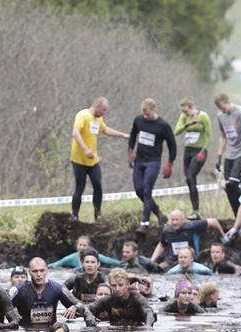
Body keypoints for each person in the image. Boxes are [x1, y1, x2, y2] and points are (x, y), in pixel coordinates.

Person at [70, 96, 130, 220]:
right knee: (79, 187)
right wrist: (85, 148)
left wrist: (122, 135)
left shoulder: (98, 119)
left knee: (97, 185)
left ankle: (98, 215)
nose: (104, 113)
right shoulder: (83, 115)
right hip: (79, 159)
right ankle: (75, 215)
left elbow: (105, 130)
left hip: (93, 159)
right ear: (96, 107)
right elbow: (75, 132)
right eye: (103, 110)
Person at [128, 98, 176, 234]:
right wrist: (130, 151)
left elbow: (172, 145)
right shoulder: (138, 120)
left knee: (147, 189)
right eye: (143, 113)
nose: (145, 116)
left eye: (147, 113)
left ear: (154, 110)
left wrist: (169, 164)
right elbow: (133, 135)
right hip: (139, 160)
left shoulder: (163, 125)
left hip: (153, 161)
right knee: (139, 190)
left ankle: (145, 223)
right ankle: (160, 214)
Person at [10, 257, 95, 326]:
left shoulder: (57, 288)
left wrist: (74, 307)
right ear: (29, 272)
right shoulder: (17, 290)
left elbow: (81, 306)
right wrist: (12, 312)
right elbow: (2, 308)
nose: (39, 274)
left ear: (46, 270)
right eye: (35, 271)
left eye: (42, 270)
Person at [149, 209, 228, 270]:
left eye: (177, 220)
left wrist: (223, 237)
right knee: (157, 270)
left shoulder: (192, 226)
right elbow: (162, 244)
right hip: (173, 260)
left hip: (191, 261)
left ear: (183, 220)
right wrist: (152, 260)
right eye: (172, 220)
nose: (174, 222)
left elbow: (213, 221)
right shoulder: (167, 231)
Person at [174, 96, 213, 219]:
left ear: (191, 107)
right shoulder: (184, 117)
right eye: (182, 112)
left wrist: (203, 150)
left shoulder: (203, 116)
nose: (184, 113)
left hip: (199, 151)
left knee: (190, 177)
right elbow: (176, 131)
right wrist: (187, 124)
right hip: (188, 151)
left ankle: (196, 210)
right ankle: (195, 210)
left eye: (186, 111)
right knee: (189, 180)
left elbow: (209, 136)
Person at [83, 268, 156, 326]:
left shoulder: (137, 298)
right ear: (110, 285)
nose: (117, 289)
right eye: (114, 286)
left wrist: (148, 327)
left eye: (120, 285)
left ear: (127, 284)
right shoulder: (108, 300)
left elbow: (148, 312)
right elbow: (86, 308)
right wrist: (89, 316)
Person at [48, 235, 120, 269]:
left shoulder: (95, 256)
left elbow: (113, 262)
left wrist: (122, 264)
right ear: (77, 246)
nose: (82, 247)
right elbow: (57, 263)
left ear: (89, 247)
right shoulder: (72, 257)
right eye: (80, 245)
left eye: (84, 245)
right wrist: (47, 267)